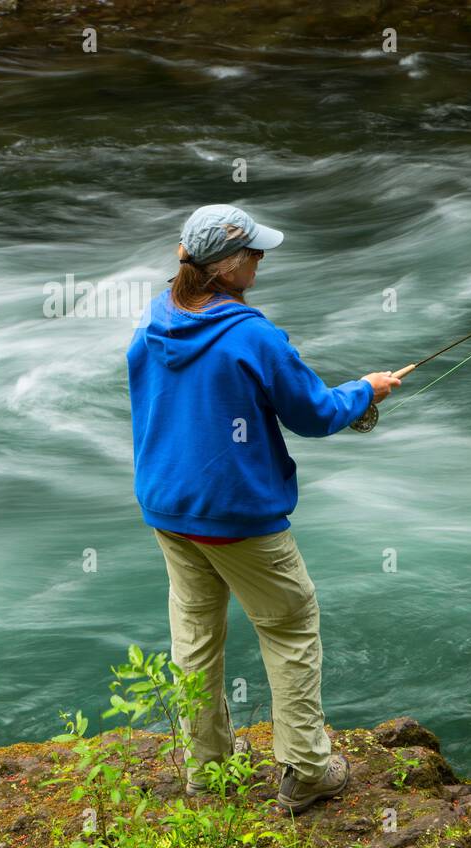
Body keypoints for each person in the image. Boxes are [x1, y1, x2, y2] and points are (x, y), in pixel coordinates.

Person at [126, 203, 402, 811]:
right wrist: (369, 390)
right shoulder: (252, 336)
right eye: (254, 252)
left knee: (195, 637)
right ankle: (307, 769)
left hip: (168, 506)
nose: (261, 259)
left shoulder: (155, 316)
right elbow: (314, 414)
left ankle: (207, 772)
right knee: (290, 624)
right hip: (236, 517)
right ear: (228, 267)